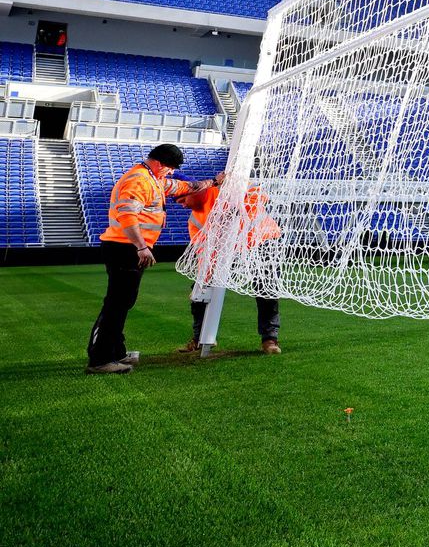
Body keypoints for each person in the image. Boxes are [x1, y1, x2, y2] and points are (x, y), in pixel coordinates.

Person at [86, 144, 224, 375]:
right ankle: (100, 359)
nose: (171, 173)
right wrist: (141, 247)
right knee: (116, 304)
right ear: (160, 164)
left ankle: (116, 352)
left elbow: (188, 186)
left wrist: (214, 181)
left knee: (123, 302)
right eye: (170, 168)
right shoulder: (139, 180)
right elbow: (127, 214)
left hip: (127, 247)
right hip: (124, 247)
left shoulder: (154, 179)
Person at [178, 179, 283, 354]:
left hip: (262, 242)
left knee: (266, 290)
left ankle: (270, 339)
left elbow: (259, 194)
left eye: (182, 199)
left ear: (194, 192)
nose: (181, 205)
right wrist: (202, 282)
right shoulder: (195, 218)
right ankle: (200, 338)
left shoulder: (229, 188)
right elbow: (203, 254)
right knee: (199, 292)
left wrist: (234, 190)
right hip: (229, 250)